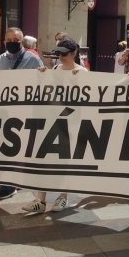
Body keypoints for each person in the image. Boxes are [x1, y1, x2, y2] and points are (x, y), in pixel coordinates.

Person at [22, 37, 85, 213]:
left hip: (71, 122)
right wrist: (43, 76)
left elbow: (86, 100)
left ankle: (63, 196)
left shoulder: (82, 72)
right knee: (46, 158)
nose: (61, 57)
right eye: (58, 53)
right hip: (53, 120)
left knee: (65, 160)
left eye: (64, 54)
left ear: (74, 54)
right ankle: (40, 199)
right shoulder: (56, 68)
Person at [0, 27, 44, 200]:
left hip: (24, 110)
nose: (12, 43)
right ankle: (8, 184)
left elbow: (42, 82)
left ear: (21, 42)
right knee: (6, 147)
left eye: (15, 40)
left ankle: (12, 183)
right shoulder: (0, 59)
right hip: (4, 111)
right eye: (9, 40)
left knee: (16, 147)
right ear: (4, 41)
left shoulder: (32, 59)